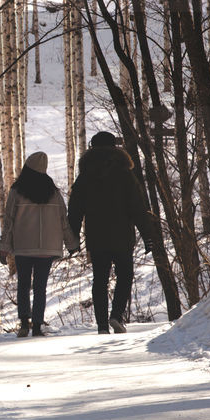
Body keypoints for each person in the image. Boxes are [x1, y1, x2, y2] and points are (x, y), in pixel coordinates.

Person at [66, 132, 156, 334]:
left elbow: (75, 209)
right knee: (125, 275)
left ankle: (101, 325)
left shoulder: (85, 176)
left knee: (100, 279)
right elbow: (137, 207)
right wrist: (147, 234)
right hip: (122, 235)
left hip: (97, 237)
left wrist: (72, 239)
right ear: (115, 147)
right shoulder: (125, 174)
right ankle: (116, 315)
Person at [0, 151, 79, 338]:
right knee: (40, 287)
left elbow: (9, 221)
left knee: (23, 285)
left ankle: (24, 323)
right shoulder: (54, 193)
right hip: (47, 249)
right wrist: (71, 243)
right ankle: (36, 325)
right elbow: (63, 222)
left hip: (23, 247)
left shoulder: (17, 191)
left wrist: (4, 247)